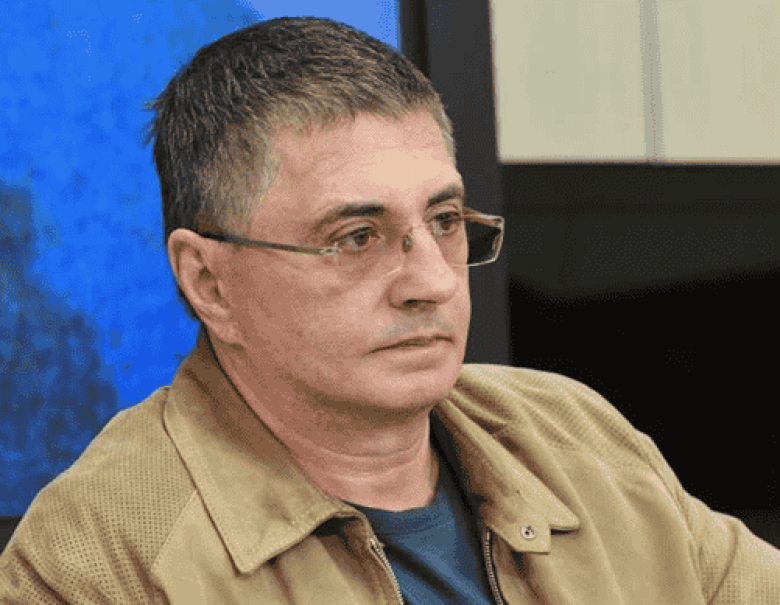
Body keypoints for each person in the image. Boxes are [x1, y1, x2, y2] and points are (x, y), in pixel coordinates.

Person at [1, 15, 778, 604]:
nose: (432, 281)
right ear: (210, 283)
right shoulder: (95, 560)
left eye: (444, 220)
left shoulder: (578, 434)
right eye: (356, 237)